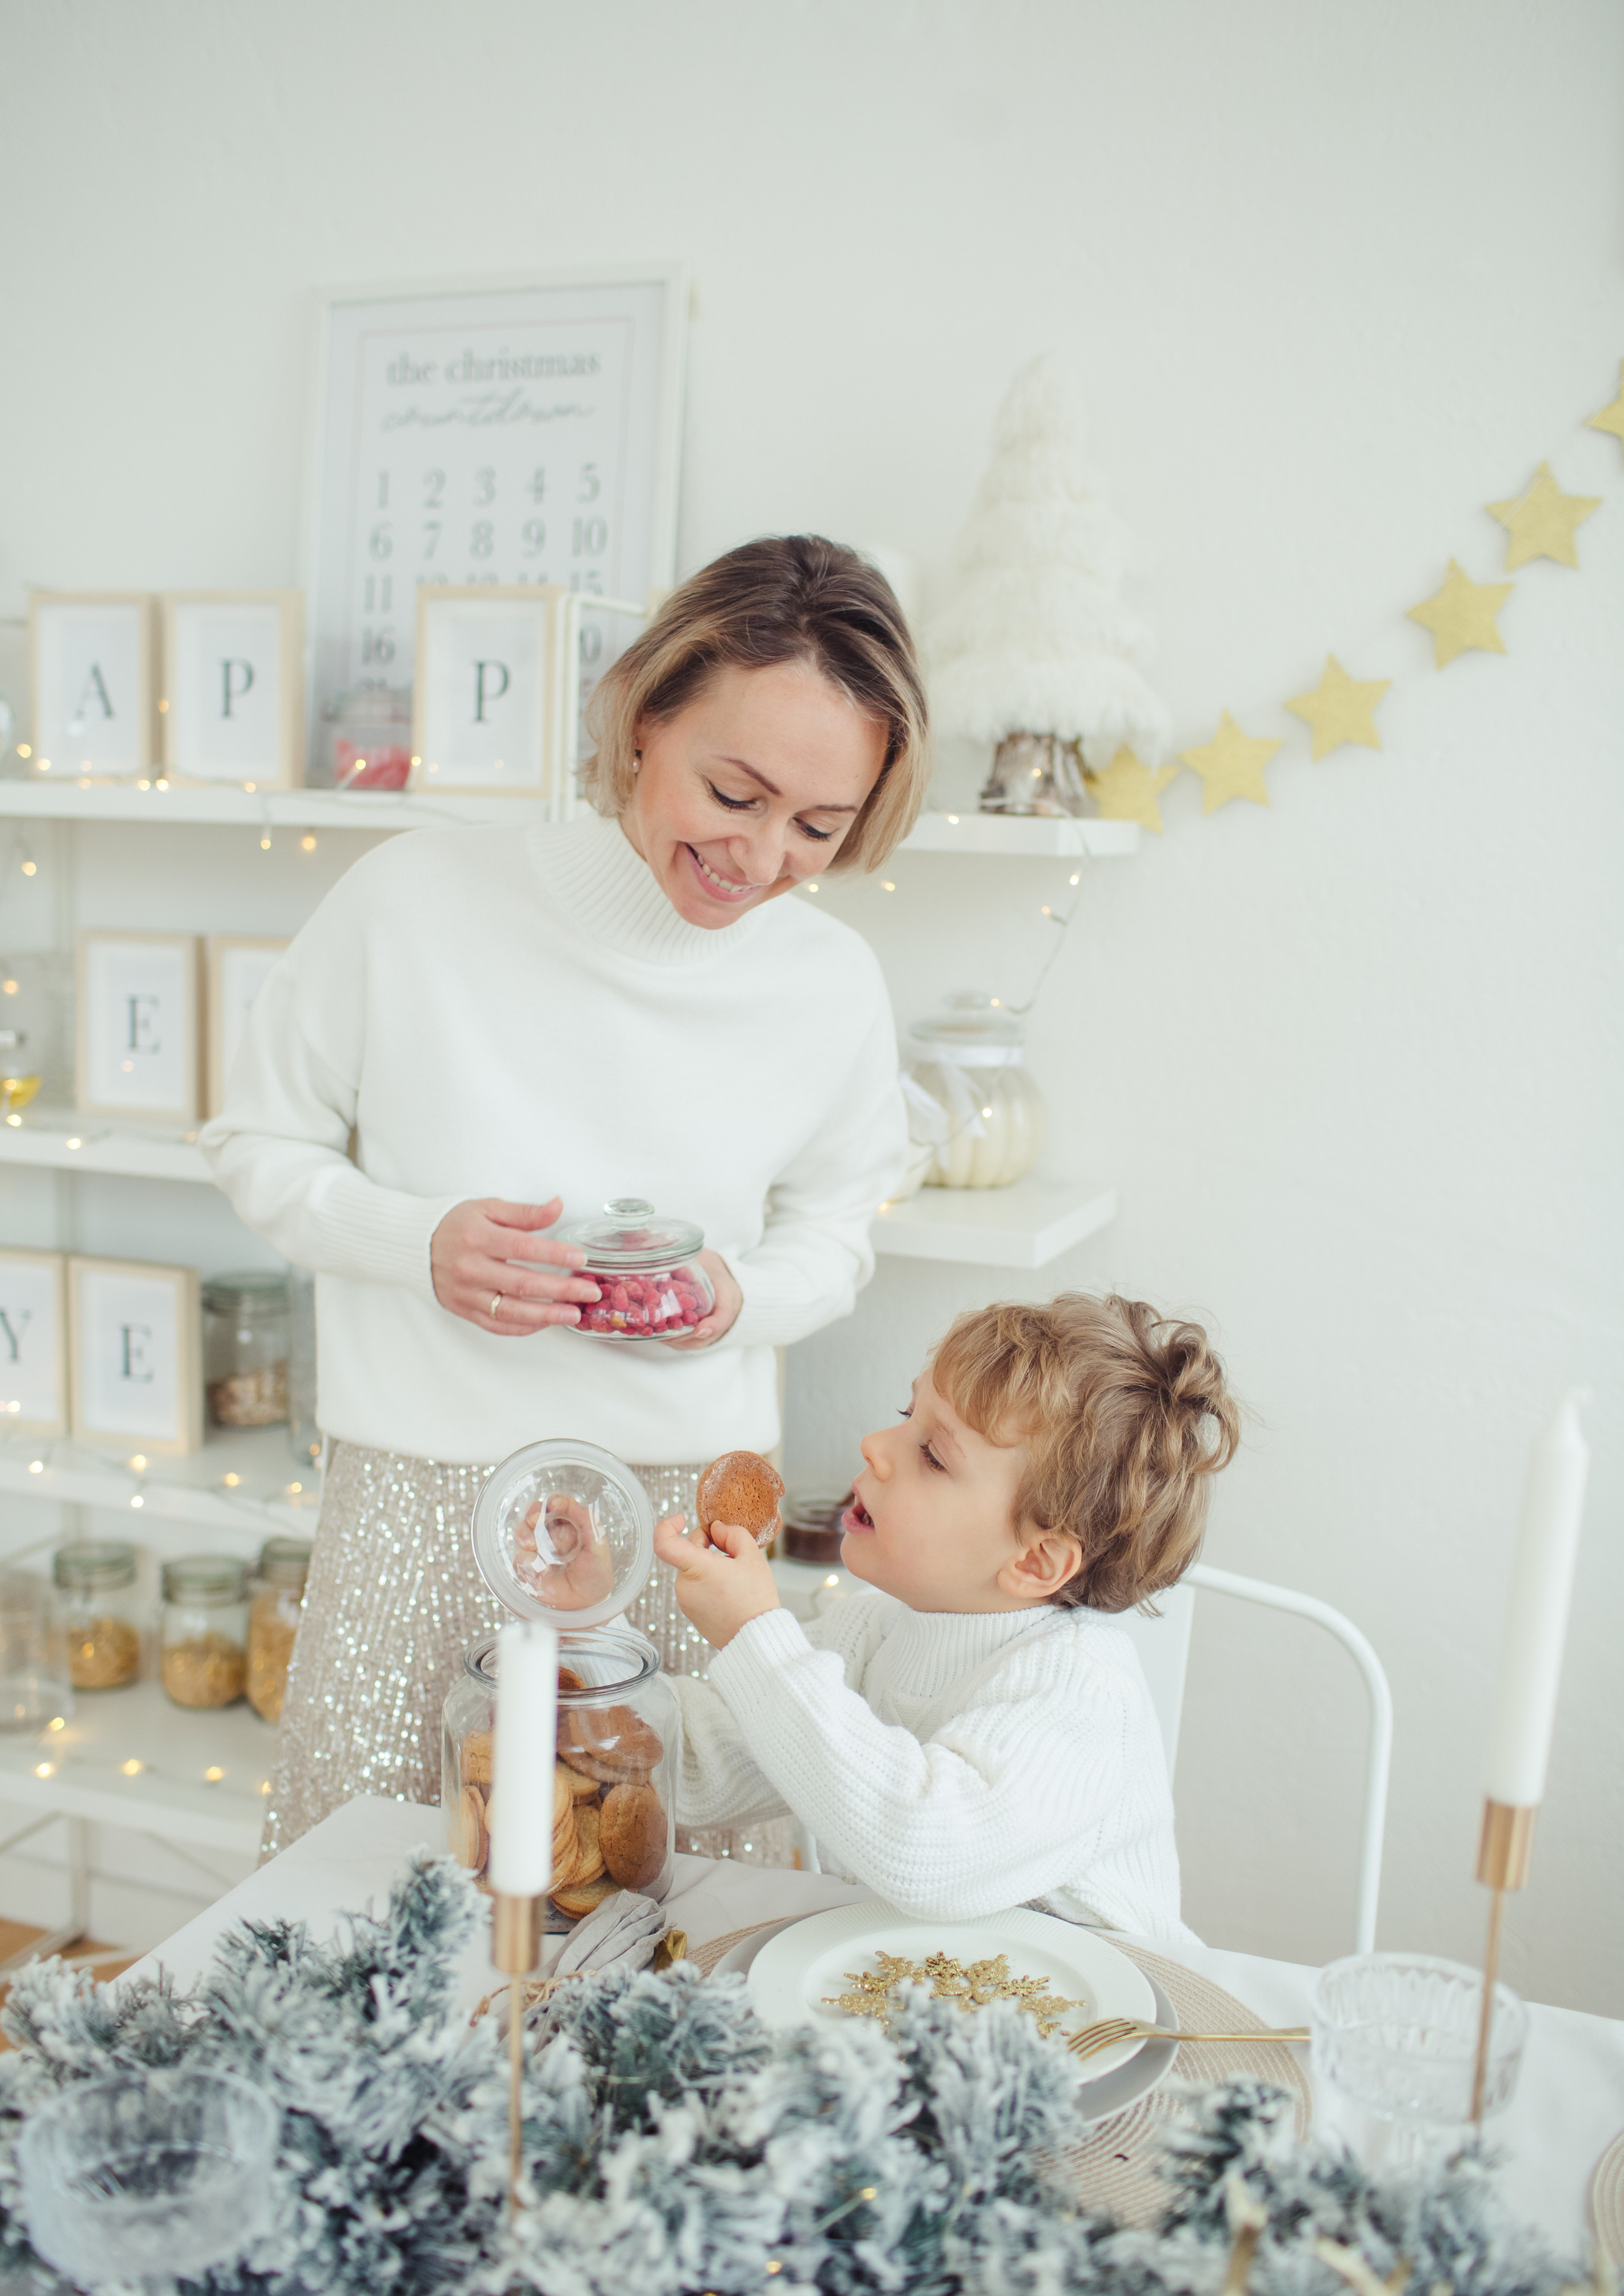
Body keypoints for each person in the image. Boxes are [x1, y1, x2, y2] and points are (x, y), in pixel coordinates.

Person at [202, 536, 929, 1859]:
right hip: (416, 1494)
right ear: (645, 717)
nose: (760, 857)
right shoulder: (416, 899)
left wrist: (733, 1296)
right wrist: (418, 1242)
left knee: (663, 1918)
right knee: (363, 1899)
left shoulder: (828, 985)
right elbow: (257, 1139)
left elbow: (836, 1239)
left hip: (680, 1523)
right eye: (734, 790)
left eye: (816, 829)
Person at [654, 1293, 1240, 1939]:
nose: (875, 1445)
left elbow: (922, 1847)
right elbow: (698, 1765)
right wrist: (584, 1646)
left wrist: (752, 1638)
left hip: (1102, 2019)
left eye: (933, 1454)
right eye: (907, 1415)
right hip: (927, 1996)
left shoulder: (1081, 1692)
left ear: (1037, 1562)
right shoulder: (871, 1632)